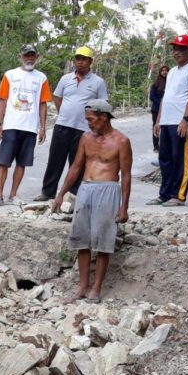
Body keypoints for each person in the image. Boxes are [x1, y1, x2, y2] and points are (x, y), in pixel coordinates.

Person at [52, 99, 132, 303]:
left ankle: (96, 288)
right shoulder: (86, 138)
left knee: (103, 242)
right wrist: (61, 194)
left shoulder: (121, 141)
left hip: (108, 190)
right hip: (86, 189)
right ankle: (82, 286)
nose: (88, 123)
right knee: (82, 241)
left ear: (103, 117)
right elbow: (76, 167)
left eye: (91, 119)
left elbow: (127, 175)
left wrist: (124, 207)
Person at [34, 46, 107, 202]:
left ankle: (72, 194)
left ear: (90, 61)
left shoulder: (98, 82)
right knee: (55, 159)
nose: (80, 62)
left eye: (84, 59)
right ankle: (48, 192)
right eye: (78, 59)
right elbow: (58, 98)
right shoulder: (66, 79)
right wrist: (65, 113)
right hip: (62, 125)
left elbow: (102, 106)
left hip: (84, 129)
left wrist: (98, 128)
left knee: (77, 163)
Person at [0, 44, 51, 207]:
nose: (29, 58)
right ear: (20, 57)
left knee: (22, 163)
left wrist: (42, 127)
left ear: (37, 57)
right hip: (11, 125)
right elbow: (2, 99)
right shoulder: (10, 75)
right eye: (26, 55)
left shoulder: (41, 78)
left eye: (32, 55)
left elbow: (42, 103)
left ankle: (13, 195)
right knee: (4, 161)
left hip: (30, 127)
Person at [147, 34, 188, 207]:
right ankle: (164, 194)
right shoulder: (171, 71)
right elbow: (166, 97)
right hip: (167, 120)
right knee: (165, 158)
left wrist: (186, 120)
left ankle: (178, 195)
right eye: (174, 49)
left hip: (182, 121)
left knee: (180, 158)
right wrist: (158, 121)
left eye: (181, 49)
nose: (176, 52)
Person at [149, 65, 168, 153]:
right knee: (156, 127)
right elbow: (151, 96)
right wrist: (160, 103)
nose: (164, 72)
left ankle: (165, 146)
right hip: (156, 109)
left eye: (166, 70)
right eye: (162, 70)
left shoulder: (171, 82)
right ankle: (156, 146)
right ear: (160, 72)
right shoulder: (156, 83)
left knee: (166, 127)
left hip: (168, 109)